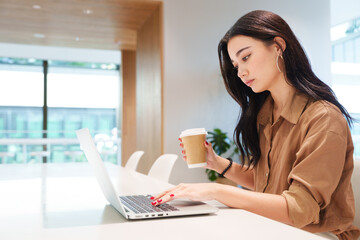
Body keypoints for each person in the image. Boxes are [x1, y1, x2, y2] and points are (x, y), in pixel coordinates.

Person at [152, 10, 360, 239]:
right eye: (235, 64)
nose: (240, 72)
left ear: (278, 46)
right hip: (274, 227)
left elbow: (301, 209)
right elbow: (265, 182)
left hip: (318, 234)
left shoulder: (324, 118)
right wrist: (216, 162)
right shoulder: (265, 113)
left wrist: (216, 190)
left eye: (246, 57)